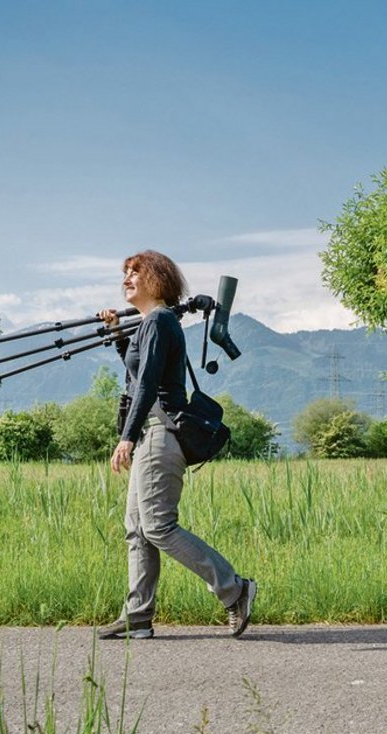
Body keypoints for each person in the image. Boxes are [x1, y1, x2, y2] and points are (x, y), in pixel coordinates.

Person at [97, 250, 256, 639]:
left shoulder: (159, 322)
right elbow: (138, 375)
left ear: (157, 279)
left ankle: (234, 589)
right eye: (125, 273)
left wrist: (126, 438)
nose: (127, 279)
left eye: (136, 272)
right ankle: (138, 614)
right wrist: (119, 334)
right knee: (136, 529)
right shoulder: (152, 324)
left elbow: (149, 386)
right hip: (153, 433)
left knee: (158, 526)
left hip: (158, 434)